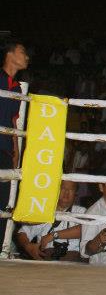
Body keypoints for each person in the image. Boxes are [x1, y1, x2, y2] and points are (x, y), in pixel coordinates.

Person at [0, 39, 29, 245]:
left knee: (2, 202)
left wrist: (16, 149)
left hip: (5, 150)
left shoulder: (17, 88)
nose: (27, 56)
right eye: (22, 51)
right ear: (9, 54)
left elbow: (13, 121)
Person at [15, 179, 85, 262]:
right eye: (63, 188)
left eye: (71, 190)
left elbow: (86, 229)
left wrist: (53, 235)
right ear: (55, 191)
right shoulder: (42, 211)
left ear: (75, 195)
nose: (66, 193)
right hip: (45, 259)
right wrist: (28, 246)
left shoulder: (82, 212)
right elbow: (22, 232)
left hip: (73, 260)